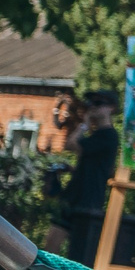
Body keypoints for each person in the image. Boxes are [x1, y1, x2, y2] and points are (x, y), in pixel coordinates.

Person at [46, 91, 120, 257]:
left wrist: (84, 124)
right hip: (73, 197)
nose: (93, 107)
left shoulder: (108, 136)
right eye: (91, 103)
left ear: (111, 108)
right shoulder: (96, 136)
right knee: (51, 249)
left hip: (87, 201)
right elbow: (92, 164)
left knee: (77, 254)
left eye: (99, 103)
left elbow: (72, 144)